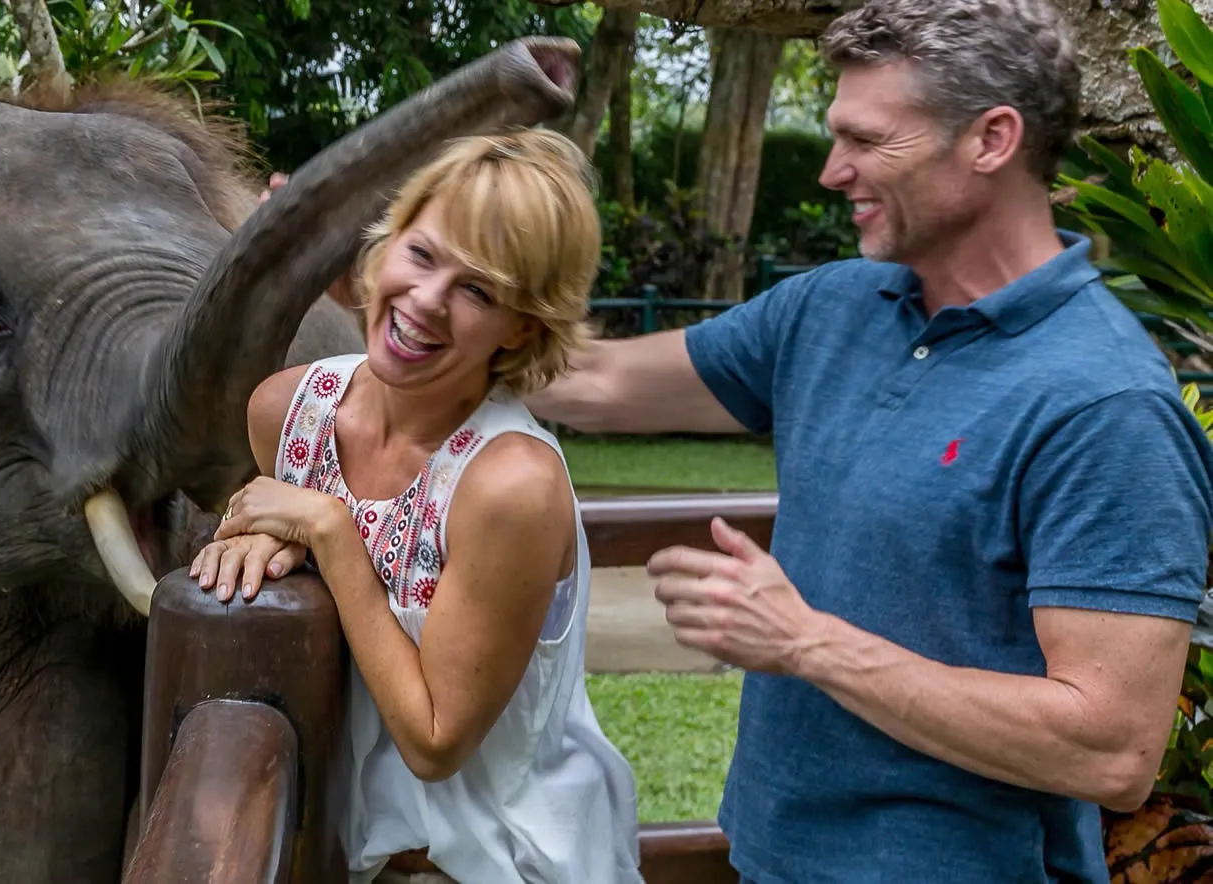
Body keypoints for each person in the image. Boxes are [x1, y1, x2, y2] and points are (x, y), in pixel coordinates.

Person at [513, 1, 1213, 882]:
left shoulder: (1106, 402)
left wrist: (805, 643)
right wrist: (413, 303)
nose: (831, 171)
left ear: (991, 139)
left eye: (868, 140)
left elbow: (1111, 749)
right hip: (773, 859)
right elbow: (595, 383)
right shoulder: (836, 306)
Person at [195, 128, 645, 884]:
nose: (427, 301)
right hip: (332, 852)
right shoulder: (285, 411)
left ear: (522, 328)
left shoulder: (510, 485)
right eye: (422, 253)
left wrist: (329, 533)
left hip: (499, 862)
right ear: (385, 243)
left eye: (478, 291)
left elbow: (435, 742)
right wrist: (252, 546)